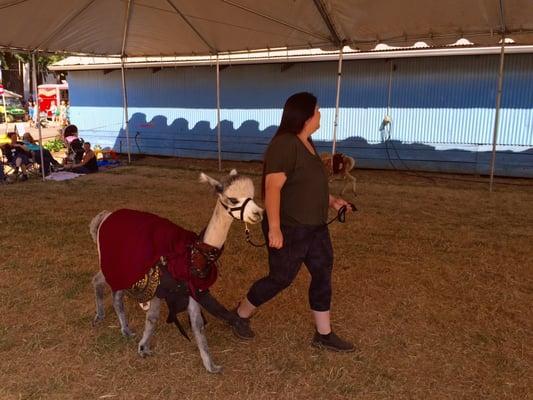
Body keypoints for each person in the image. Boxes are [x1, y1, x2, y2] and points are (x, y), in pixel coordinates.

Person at [232, 92, 355, 352]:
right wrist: (274, 228)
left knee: (322, 273)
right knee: (280, 278)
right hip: (290, 227)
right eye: (318, 110)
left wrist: (332, 201)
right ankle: (240, 315)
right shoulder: (285, 144)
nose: (321, 114)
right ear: (306, 115)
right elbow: (273, 187)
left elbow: (307, 184)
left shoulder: (307, 143)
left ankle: (324, 334)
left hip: (315, 228)